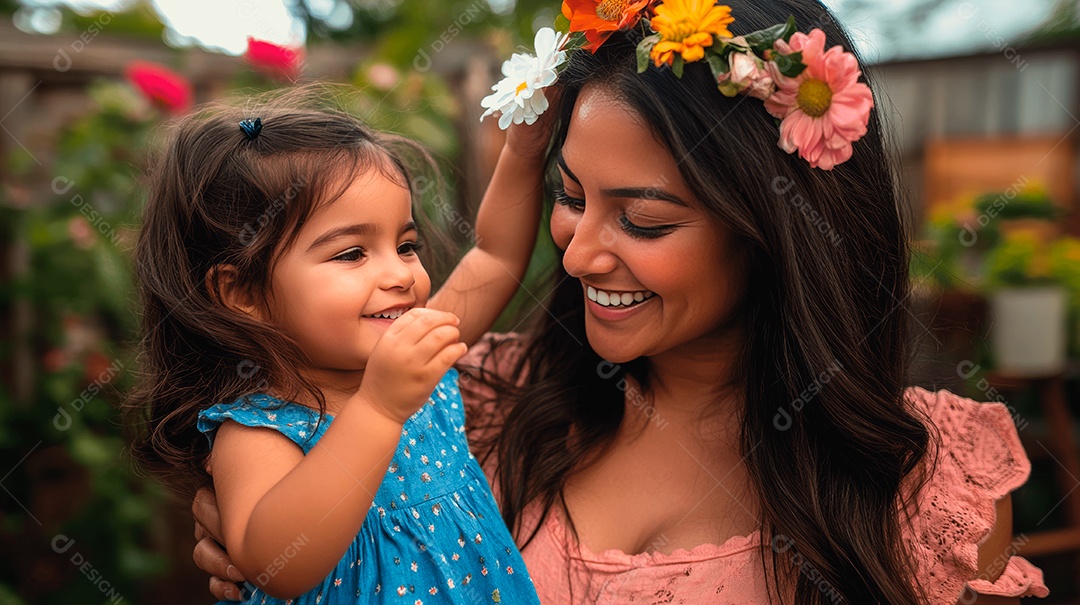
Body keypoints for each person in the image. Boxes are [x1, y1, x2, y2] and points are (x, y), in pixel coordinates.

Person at [190, 1, 1051, 603]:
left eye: (641, 217)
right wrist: (261, 531)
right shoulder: (478, 401)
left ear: (775, 227)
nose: (580, 249)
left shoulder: (929, 486)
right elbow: (292, 513)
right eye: (570, 197)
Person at [126, 88, 551, 604]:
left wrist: (523, 152)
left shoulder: (415, 357)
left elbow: (494, 256)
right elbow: (277, 563)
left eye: (405, 246)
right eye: (352, 254)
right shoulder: (259, 428)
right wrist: (379, 407)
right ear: (243, 294)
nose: (399, 273)